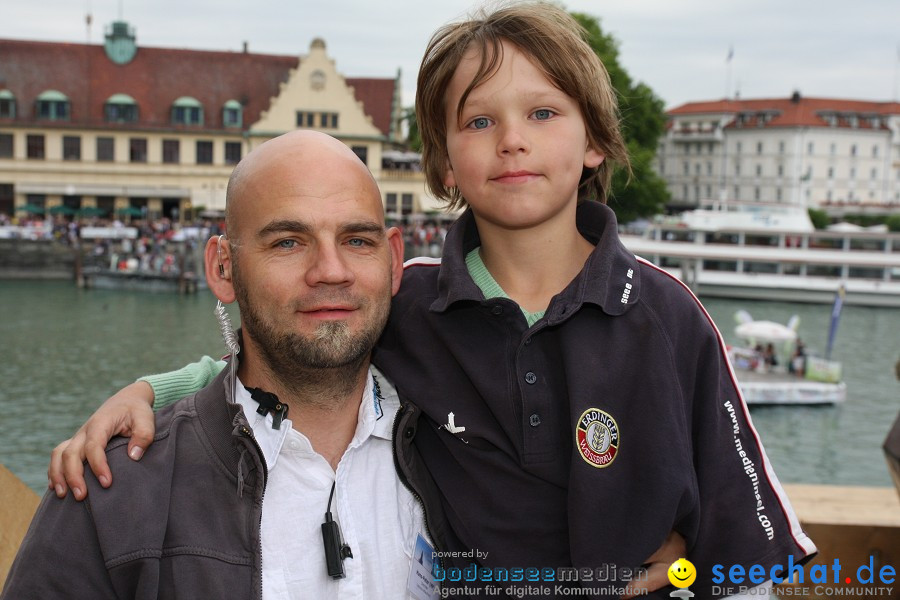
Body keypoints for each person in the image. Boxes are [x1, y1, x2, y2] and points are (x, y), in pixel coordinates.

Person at [48, 3, 814, 598]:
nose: (511, 140)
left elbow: (744, 535)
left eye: (542, 113)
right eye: (480, 121)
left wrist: (681, 575)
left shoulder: (666, 314)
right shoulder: (408, 299)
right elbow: (278, 356)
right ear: (444, 165)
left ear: (595, 141)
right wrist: (157, 388)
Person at [4, 130, 422, 598]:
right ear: (223, 267)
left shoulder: (462, 450)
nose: (330, 269)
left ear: (393, 260)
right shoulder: (111, 493)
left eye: (357, 240)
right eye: (287, 242)